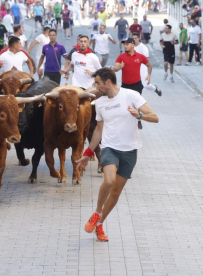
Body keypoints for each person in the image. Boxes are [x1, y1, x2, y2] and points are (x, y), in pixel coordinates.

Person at [76, 67, 159, 242]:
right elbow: (98, 130)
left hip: (130, 150)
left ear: (108, 82)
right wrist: (88, 152)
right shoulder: (99, 103)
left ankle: (99, 224)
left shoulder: (131, 96)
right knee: (109, 181)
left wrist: (140, 115)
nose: (95, 86)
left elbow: (155, 117)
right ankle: (97, 213)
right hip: (109, 148)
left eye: (97, 83)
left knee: (116, 192)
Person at [113, 38, 152, 129]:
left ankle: (138, 119)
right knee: (125, 104)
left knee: (136, 103)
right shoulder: (121, 56)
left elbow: (149, 65)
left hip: (137, 84)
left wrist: (148, 75)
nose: (125, 46)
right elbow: (114, 68)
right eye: (124, 44)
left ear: (132, 45)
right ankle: (126, 121)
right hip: (125, 85)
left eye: (127, 44)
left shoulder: (140, 56)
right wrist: (119, 67)